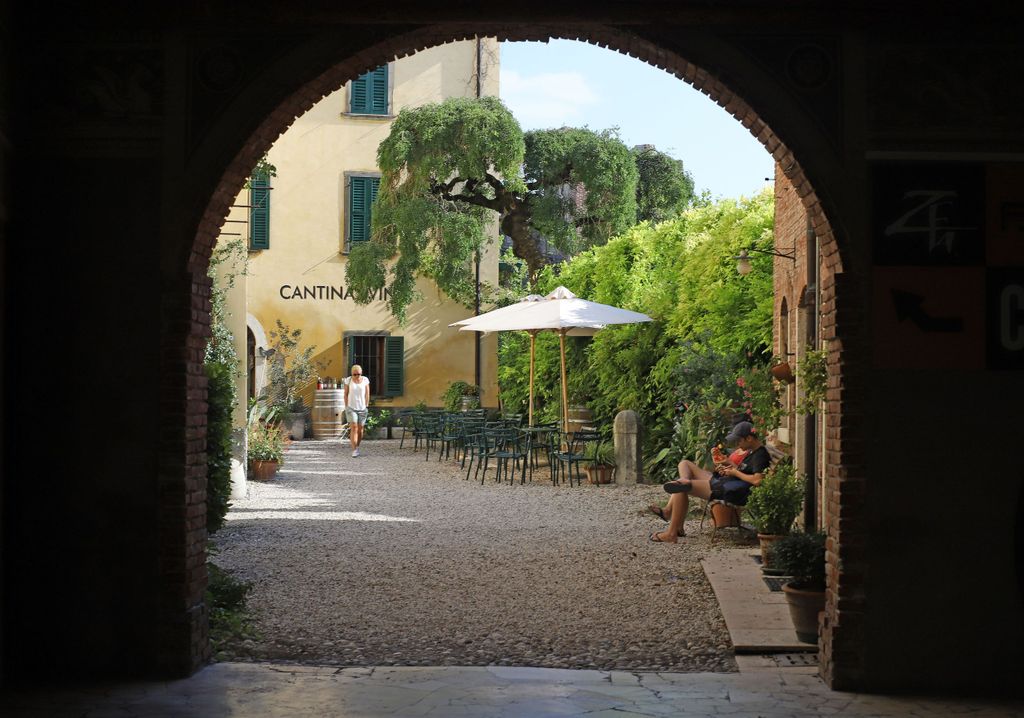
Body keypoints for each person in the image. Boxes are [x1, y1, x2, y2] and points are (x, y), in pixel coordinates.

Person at [647, 421, 771, 543]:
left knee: (680, 487)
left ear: (749, 438)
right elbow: (745, 471)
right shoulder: (753, 452)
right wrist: (728, 465)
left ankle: (671, 533)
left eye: (739, 441)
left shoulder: (760, 455)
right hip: (727, 482)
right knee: (684, 464)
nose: (737, 444)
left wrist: (735, 473)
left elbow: (757, 480)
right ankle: (674, 515)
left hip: (731, 490)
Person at [343, 364, 370, 457]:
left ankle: (357, 446)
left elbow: (367, 393)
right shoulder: (348, 380)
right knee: (354, 427)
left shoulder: (365, 380)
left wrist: (366, 405)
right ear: (352, 374)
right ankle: (354, 450)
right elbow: (345, 394)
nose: (356, 376)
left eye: (358, 374)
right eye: (354, 374)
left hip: (362, 408)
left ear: (361, 373)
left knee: (360, 430)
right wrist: (346, 406)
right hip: (351, 408)